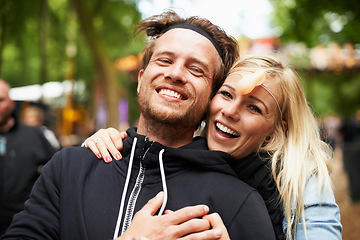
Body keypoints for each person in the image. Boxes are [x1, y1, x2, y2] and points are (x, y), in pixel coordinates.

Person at [1, 11, 276, 240]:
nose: (175, 73)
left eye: (196, 70)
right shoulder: (68, 168)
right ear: (141, 79)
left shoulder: (240, 201)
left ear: (210, 99)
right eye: (165, 60)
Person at [85, 54, 342, 240]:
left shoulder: (301, 180)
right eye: (227, 94)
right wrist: (116, 142)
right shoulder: (181, 157)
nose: (230, 111)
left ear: (275, 131)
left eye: (254, 107)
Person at [0, 80, 57, 235]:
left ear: (11, 103)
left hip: (26, 227)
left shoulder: (35, 136)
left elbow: (57, 173)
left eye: (1, 100)